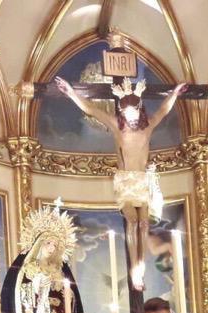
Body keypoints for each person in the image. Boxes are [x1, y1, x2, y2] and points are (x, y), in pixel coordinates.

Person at [55, 76, 187, 290]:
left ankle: (140, 266)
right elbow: (91, 109)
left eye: (134, 110)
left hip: (142, 181)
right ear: (122, 112)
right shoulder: (117, 126)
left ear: (140, 109)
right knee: (133, 222)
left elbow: (163, 111)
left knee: (144, 224)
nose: (130, 114)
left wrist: (174, 94)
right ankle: (135, 268)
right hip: (125, 183)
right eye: (126, 111)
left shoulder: (147, 128)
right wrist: (71, 92)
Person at [1, 204, 82, 313]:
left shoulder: (61, 272)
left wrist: (67, 294)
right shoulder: (27, 271)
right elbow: (18, 300)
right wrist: (39, 286)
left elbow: (73, 303)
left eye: (55, 245)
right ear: (38, 244)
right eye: (48, 243)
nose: (51, 249)